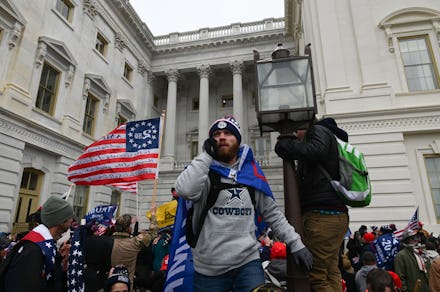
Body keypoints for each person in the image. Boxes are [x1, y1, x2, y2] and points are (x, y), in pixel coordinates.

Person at [175, 115, 312, 291]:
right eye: (216, 134)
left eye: (228, 133)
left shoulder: (252, 173)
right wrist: (206, 155)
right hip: (209, 269)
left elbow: (273, 215)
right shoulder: (203, 173)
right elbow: (185, 190)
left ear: (238, 140)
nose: (222, 137)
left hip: (248, 263)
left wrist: (296, 244)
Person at [274, 117, 350, 292]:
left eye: (297, 130)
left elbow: (315, 150)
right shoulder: (331, 138)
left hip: (322, 217)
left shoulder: (319, 130)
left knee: (315, 277)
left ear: (305, 126)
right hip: (334, 215)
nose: (296, 135)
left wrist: (286, 146)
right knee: (331, 272)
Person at [2, 196, 74, 291]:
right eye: (70, 217)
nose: (72, 220)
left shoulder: (44, 245)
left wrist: (62, 265)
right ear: (61, 221)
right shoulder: (33, 250)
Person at [111, 210, 158, 292]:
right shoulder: (134, 243)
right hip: (127, 285)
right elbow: (153, 232)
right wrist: (153, 215)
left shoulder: (108, 242)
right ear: (129, 229)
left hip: (111, 285)